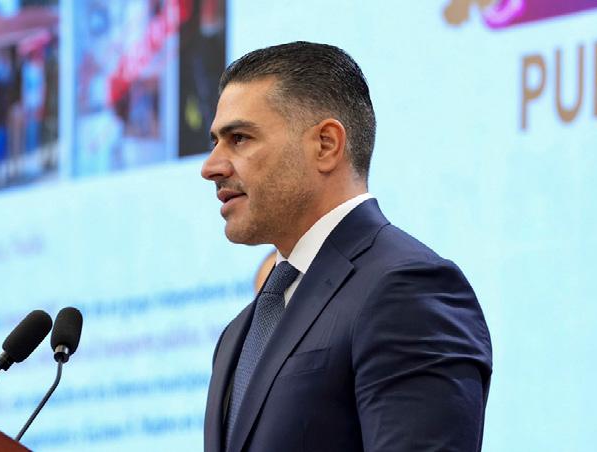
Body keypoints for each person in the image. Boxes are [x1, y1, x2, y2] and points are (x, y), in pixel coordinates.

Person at [201, 41, 492, 452]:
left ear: (326, 145)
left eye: (240, 138)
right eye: (215, 141)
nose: (211, 167)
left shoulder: (407, 287)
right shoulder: (239, 332)